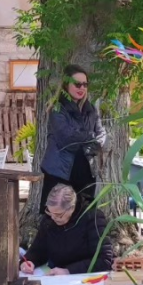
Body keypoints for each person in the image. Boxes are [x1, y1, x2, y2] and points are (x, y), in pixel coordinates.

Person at [20, 184, 115, 285]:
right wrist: (28, 262)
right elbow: (38, 249)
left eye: (59, 214)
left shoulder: (92, 217)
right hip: (60, 280)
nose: (54, 217)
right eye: (50, 212)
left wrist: (69, 271)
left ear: (71, 208)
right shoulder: (49, 220)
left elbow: (105, 259)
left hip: (92, 279)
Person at [40, 64, 106, 205]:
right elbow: (67, 138)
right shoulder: (57, 108)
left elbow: (101, 133)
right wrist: (91, 138)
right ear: (66, 85)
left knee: (84, 212)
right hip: (60, 171)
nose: (82, 88)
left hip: (86, 169)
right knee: (57, 212)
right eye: (77, 84)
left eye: (85, 84)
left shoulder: (90, 109)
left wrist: (95, 142)